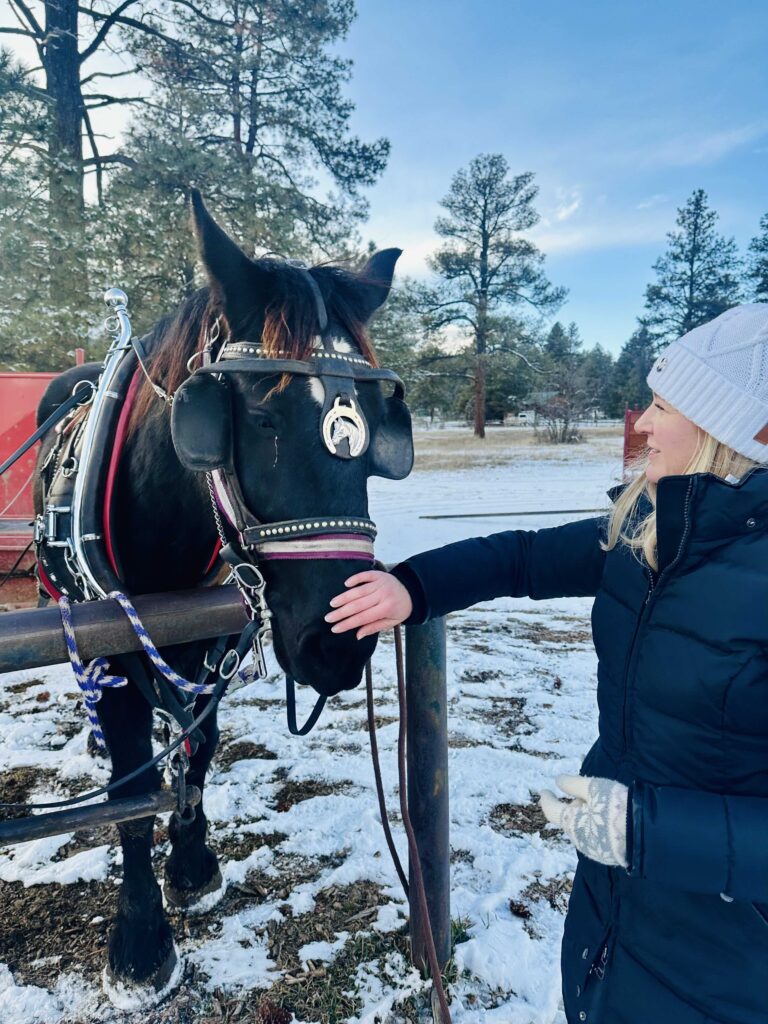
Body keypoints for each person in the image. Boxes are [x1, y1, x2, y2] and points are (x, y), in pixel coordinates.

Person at [325, 303, 768, 1024]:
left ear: (727, 428)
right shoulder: (651, 531)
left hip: (731, 955)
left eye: (663, 406)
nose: (644, 424)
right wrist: (411, 588)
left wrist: (644, 830)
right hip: (614, 915)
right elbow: (522, 556)